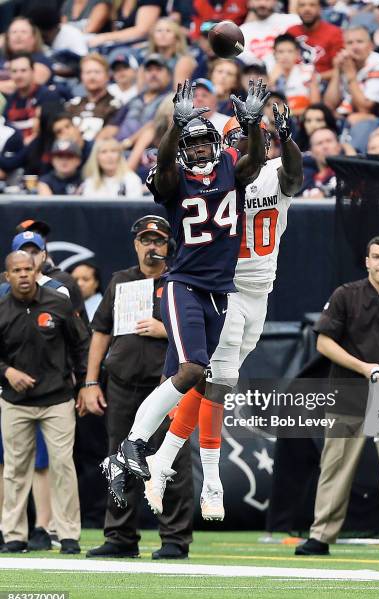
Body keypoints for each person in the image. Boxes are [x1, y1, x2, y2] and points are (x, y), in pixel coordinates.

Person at [102, 78, 268, 508]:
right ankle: (133, 445)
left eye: (202, 142)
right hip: (184, 286)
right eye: (190, 143)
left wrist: (250, 124)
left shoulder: (232, 167)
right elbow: (165, 170)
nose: (198, 149)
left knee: (193, 377)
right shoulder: (173, 178)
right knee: (194, 370)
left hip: (220, 292)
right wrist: (175, 126)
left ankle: (124, 458)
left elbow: (255, 160)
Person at [143, 105, 303, 521]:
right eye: (232, 141)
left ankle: (163, 458)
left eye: (242, 140)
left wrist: (286, 139)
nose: (237, 148)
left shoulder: (264, 172)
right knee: (218, 378)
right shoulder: (220, 178)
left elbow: (293, 175)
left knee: (215, 382)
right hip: (226, 289)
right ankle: (207, 480)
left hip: (261, 290)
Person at [295, 235, 379, 559]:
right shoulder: (346, 295)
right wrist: (364, 367)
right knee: (335, 465)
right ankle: (321, 536)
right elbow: (324, 343)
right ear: (366, 261)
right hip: (347, 396)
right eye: (376, 256)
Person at [82, 213, 194, 559]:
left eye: (158, 240)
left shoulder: (182, 280)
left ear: (168, 244)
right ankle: (120, 536)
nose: (152, 247)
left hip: (167, 386)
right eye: (146, 240)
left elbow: (202, 328)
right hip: (122, 383)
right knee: (120, 458)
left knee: (170, 457)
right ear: (135, 244)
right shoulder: (120, 281)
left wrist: (166, 330)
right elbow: (100, 331)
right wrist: (90, 381)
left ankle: (174, 538)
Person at [0, 250, 89, 554]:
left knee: (63, 466)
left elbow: (81, 344)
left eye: (28, 268)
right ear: (7, 275)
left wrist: (85, 385)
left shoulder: (58, 303)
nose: (23, 275)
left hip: (57, 398)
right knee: (14, 468)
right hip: (14, 400)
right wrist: (7, 372)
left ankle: (67, 535)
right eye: (17, 270)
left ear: (36, 269)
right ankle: (13, 534)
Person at [100, 53, 172, 147]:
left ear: (169, 75)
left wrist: (127, 143)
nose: (153, 74)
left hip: (147, 152)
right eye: (149, 70)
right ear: (143, 75)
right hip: (116, 149)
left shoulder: (171, 100)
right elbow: (113, 126)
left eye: (158, 70)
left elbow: (152, 126)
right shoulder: (134, 99)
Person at [3, 54, 61, 143]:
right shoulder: (11, 99)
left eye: (23, 70)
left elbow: (53, 129)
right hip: (15, 147)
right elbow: (5, 127)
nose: (19, 75)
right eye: (14, 71)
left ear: (33, 71)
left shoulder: (48, 95)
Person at [66, 53, 121, 142]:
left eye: (97, 72)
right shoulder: (72, 105)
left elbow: (107, 138)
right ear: (82, 77)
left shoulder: (116, 106)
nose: (92, 77)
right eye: (88, 72)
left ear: (107, 76)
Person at [286, 0, 344, 82]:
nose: (307, 9)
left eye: (312, 5)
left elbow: (340, 69)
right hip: (293, 83)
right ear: (297, 9)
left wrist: (316, 78)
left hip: (323, 83)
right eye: (302, 5)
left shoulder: (334, 33)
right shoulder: (291, 32)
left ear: (320, 9)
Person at [239, 0, 301, 71]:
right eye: (257, 0)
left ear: (275, 1)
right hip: (257, 79)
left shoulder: (292, 21)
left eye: (267, 0)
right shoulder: (242, 31)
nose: (262, 3)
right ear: (250, 2)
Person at [268, 34, 321, 117]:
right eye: (281, 52)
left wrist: (290, 113)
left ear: (297, 53)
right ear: (274, 54)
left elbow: (316, 107)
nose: (285, 56)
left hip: (303, 121)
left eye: (290, 51)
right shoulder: (268, 74)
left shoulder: (308, 72)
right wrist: (270, 81)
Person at [0, 17, 52, 95]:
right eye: (14, 32)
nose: (18, 36)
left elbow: (24, 85)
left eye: (23, 32)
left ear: (33, 38)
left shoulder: (41, 60)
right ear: (7, 38)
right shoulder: (2, 59)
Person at [299, 127, 342, 198]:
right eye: (319, 143)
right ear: (311, 152)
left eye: (329, 141)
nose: (325, 146)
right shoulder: (302, 177)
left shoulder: (349, 175)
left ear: (338, 146)